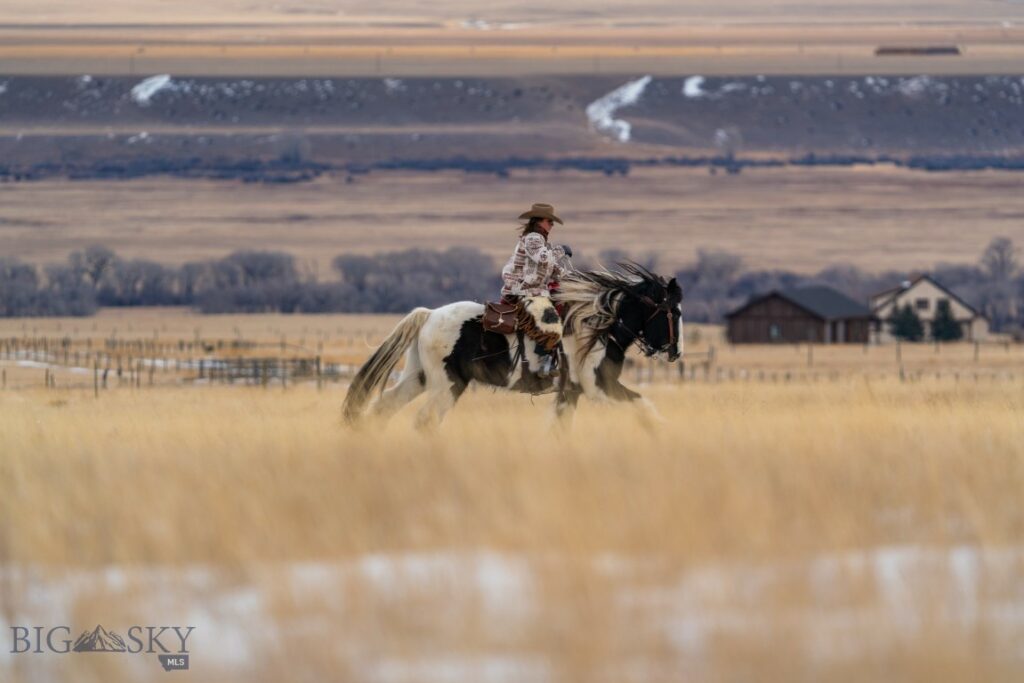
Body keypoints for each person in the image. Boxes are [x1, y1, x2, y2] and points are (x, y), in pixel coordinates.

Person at [500, 203, 573, 377]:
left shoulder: (541, 240)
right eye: (550, 221)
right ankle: (544, 363)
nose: (552, 225)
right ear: (540, 221)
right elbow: (543, 259)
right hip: (524, 291)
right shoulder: (533, 238)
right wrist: (560, 250)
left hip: (534, 290)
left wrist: (573, 279)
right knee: (551, 320)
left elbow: (552, 269)